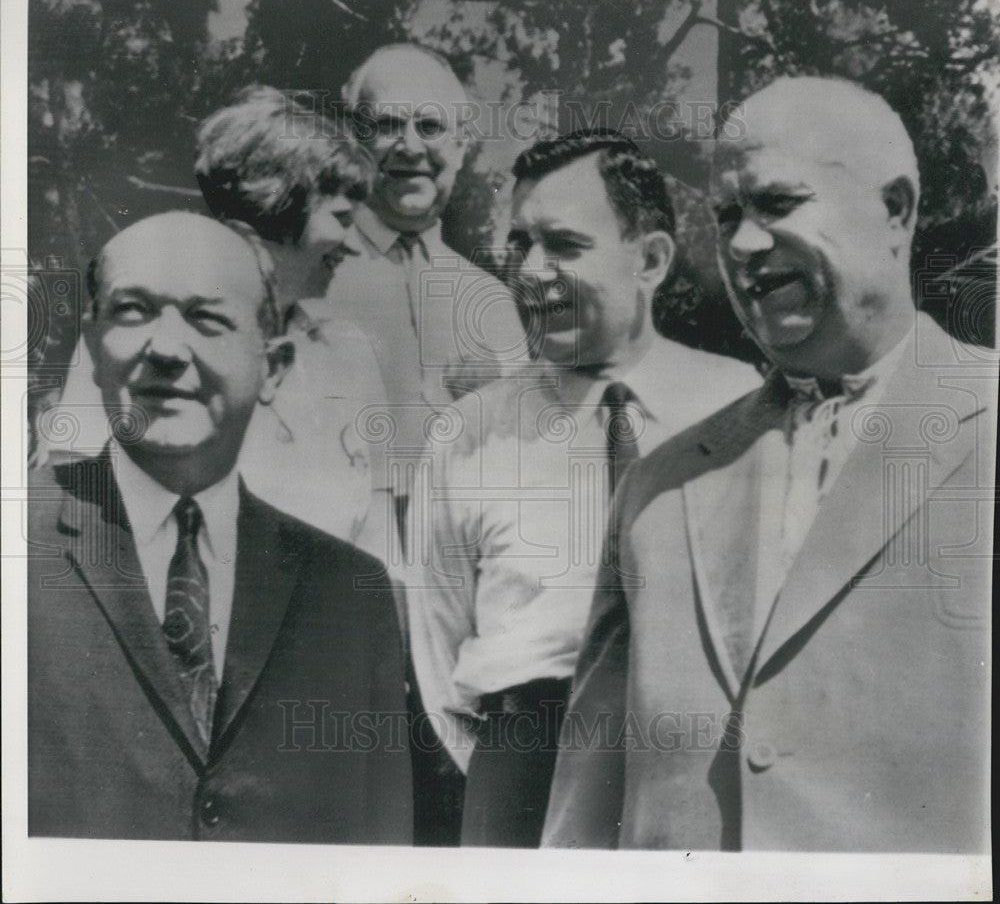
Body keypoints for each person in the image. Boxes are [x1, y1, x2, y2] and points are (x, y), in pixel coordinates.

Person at [542, 77, 996, 852]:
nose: (745, 245)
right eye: (726, 217)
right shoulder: (658, 487)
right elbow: (585, 813)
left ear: (897, 211)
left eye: (779, 203)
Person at [411, 130, 762, 847]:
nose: (532, 272)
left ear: (653, 259)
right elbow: (437, 651)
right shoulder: (468, 434)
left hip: (695, 768)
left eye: (564, 246)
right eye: (520, 246)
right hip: (521, 772)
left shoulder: (740, 407)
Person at [28, 213, 412, 843]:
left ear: (275, 368)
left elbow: (378, 854)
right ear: (93, 349)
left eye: (207, 319)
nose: (167, 349)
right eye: (132, 311)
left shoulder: (347, 592)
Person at [42, 87, 398, 566]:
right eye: (341, 218)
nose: (355, 244)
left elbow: (380, 545)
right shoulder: (138, 342)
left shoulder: (347, 355)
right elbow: (73, 516)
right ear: (277, 213)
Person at [333, 42, 529, 845]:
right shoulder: (313, 275)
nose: (410, 145)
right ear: (352, 138)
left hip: (464, 645)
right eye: (387, 124)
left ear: (463, 146)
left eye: (431, 125)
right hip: (340, 634)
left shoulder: (492, 300)